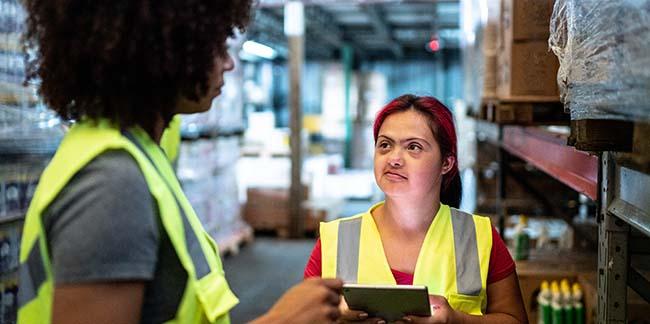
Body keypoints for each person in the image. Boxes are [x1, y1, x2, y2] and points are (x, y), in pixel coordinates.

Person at [17, 1, 342, 323]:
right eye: (216, 46)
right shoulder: (112, 183)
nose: (229, 64)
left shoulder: (130, 154)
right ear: (160, 51)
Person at [304, 94, 528, 323]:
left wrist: (455, 320)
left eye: (413, 147)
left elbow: (515, 320)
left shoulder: (478, 237)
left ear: (446, 163)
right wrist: (335, 317)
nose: (394, 158)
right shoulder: (337, 239)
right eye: (385, 145)